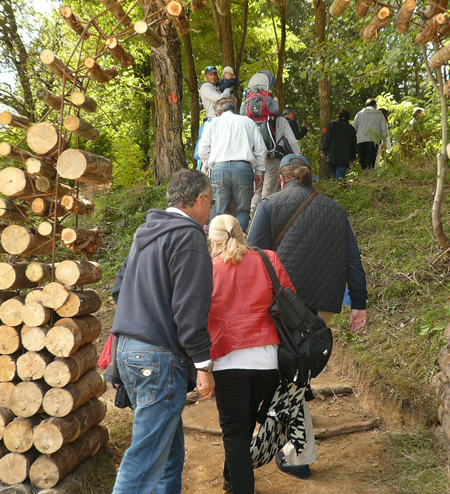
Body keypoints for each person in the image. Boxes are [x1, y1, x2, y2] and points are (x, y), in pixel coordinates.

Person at [246, 154, 369, 479]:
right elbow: (353, 261)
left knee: (289, 377)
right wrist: (360, 303)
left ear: (283, 180)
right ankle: (291, 441)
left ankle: (297, 454)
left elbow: (252, 255)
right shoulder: (336, 209)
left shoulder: (270, 205)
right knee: (295, 372)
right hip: (321, 310)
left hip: (283, 305)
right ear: (309, 180)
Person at [108, 169, 216, 494]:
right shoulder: (190, 236)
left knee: (169, 453)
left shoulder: (146, 231)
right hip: (158, 359)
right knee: (143, 462)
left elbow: (118, 289)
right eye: (210, 201)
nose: (210, 207)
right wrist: (204, 366)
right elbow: (191, 309)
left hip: (126, 350)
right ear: (199, 200)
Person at [206, 214, 290, 494]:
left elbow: (201, 315)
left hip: (228, 359)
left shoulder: (209, 269)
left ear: (213, 240)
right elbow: (290, 298)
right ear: (241, 233)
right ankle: (231, 479)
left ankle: (241, 487)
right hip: (268, 359)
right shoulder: (268, 259)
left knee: (235, 434)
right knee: (243, 425)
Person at [198, 98, 267, 231]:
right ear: (234, 110)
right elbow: (261, 149)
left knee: (220, 211)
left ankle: (221, 245)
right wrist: (259, 172)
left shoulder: (212, 123)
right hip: (243, 168)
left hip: (219, 168)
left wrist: (209, 165)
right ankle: (239, 245)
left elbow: (203, 151)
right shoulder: (247, 121)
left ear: (218, 113)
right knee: (242, 210)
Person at [241, 71, 300, 213]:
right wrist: (298, 158)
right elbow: (292, 141)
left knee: (257, 191)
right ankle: (262, 221)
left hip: (254, 159)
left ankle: (252, 215)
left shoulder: (247, 119)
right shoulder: (279, 120)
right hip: (272, 158)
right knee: (268, 194)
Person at [352, 98, 389, 170]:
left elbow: (354, 128)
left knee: (362, 162)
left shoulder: (359, 114)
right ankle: (369, 176)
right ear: (375, 106)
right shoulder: (379, 114)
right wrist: (384, 139)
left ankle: (363, 176)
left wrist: (354, 140)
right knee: (370, 162)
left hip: (361, 141)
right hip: (373, 141)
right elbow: (384, 128)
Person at [321, 108, 357, 180]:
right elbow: (353, 145)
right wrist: (352, 158)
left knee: (334, 176)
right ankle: (338, 187)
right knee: (340, 177)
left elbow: (327, 139)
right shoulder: (351, 129)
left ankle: (336, 187)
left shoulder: (332, 125)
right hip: (344, 157)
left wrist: (323, 151)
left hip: (333, 155)